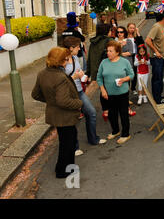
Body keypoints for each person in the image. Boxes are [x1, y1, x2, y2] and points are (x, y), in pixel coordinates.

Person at [32, 47, 83, 178]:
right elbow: (63, 101)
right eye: (65, 59)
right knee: (68, 144)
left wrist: (51, 101)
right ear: (59, 61)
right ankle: (63, 171)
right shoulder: (60, 77)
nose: (67, 61)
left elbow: (36, 95)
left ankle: (62, 168)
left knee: (65, 142)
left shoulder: (42, 73)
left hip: (55, 115)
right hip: (65, 116)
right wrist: (79, 103)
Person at [62, 37, 107, 148]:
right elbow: (60, 81)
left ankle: (93, 139)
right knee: (72, 120)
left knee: (91, 113)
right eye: (78, 47)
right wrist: (74, 77)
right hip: (69, 94)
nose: (79, 49)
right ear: (71, 48)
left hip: (79, 91)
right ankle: (74, 147)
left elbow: (78, 70)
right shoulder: (62, 60)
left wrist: (83, 76)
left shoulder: (75, 57)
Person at [97, 40, 135, 145]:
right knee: (112, 114)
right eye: (107, 50)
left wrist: (123, 80)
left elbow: (132, 75)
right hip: (109, 94)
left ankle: (125, 134)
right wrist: (102, 89)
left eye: (110, 51)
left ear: (117, 52)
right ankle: (115, 131)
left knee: (123, 114)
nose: (108, 53)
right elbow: (99, 77)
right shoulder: (104, 62)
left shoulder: (124, 62)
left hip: (122, 93)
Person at [85, 23, 113, 121]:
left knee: (103, 91)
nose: (111, 32)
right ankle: (110, 110)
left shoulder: (93, 42)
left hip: (97, 71)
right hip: (108, 70)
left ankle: (105, 111)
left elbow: (89, 58)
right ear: (106, 31)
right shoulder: (110, 41)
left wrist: (88, 72)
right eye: (110, 30)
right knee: (110, 91)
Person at [145, 11, 164, 104]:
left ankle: (158, 95)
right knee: (157, 78)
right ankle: (156, 100)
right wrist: (156, 51)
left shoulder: (162, 27)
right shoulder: (156, 26)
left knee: (159, 77)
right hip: (156, 58)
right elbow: (147, 40)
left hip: (162, 57)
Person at [127, 22, 145, 95]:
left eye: (133, 28)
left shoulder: (135, 37)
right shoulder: (125, 37)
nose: (132, 29)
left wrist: (138, 32)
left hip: (135, 56)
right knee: (127, 72)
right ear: (127, 28)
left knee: (134, 73)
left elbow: (142, 43)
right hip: (127, 56)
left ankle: (133, 87)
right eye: (130, 28)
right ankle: (127, 88)